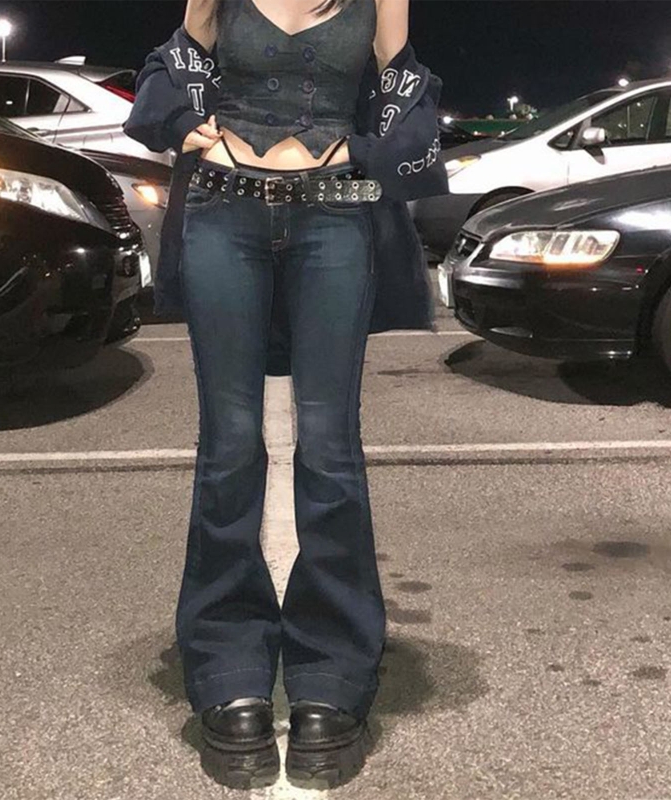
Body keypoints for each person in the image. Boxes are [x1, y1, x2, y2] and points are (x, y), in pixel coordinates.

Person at [125, 0, 447, 789]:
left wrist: (363, 149)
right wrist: (190, 128)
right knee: (230, 444)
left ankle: (331, 672)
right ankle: (227, 663)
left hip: (336, 214)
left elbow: (402, 84)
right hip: (223, 210)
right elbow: (179, 57)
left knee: (329, 446)